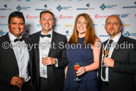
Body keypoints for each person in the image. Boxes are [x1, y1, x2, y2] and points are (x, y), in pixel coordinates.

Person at [29, 10, 68, 91]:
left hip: (55, 82)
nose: (47, 22)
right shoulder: (31, 38)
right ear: (40, 21)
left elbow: (66, 60)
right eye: (44, 19)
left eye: (50, 19)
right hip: (37, 81)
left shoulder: (62, 38)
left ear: (53, 22)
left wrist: (55, 61)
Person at [63, 13, 100, 91]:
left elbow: (97, 63)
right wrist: (66, 76)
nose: (81, 25)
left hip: (87, 80)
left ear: (88, 25)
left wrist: (85, 69)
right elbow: (69, 62)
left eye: (84, 23)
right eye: (79, 22)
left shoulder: (95, 40)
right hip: (70, 79)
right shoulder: (70, 40)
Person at [98, 15, 136, 91]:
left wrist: (114, 64)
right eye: (109, 23)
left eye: (115, 23)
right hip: (103, 88)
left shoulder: (132, 43)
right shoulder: (104, 44)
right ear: (105, 27)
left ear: (121, 27)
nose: (111, 26)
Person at [0, 11, 33, 91]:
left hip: (27, 87)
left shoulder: (29, 41)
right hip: (7, 88)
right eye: (14, 23)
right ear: (8, 24)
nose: (17, 26)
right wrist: (8, 79)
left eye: (21, 24)